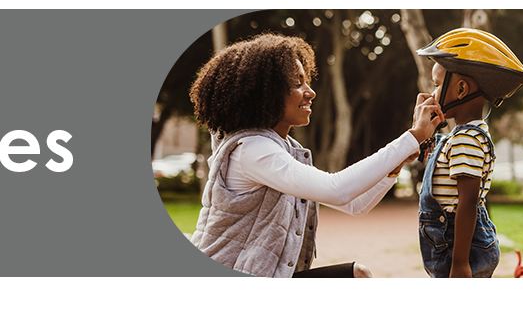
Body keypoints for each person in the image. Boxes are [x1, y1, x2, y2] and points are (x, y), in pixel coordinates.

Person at [187, 33, 443, 278]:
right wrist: (413, 136)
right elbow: (337, 189)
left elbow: (355, 205)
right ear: (265, 92)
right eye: (297, 84)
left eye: (306, 81)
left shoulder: (284, 150)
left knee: (357, 275)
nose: (310, 92)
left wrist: (396, 164)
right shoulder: (251, 150)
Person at [413, 28, 523, 278]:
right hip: (452, 246)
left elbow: (467, 202)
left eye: (436, 85)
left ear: (461, 89)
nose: (432, 94)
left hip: (458, 250)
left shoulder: (466, 139)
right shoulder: (460, 136)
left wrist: (460, 264)